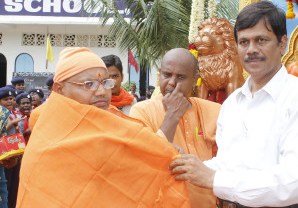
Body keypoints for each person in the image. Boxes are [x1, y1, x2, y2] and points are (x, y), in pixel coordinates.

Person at [169, 1, 298, 208]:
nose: (251, 50)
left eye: (261, 40)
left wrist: (213, 179)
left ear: (282, 44)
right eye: (244, 42)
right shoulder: (233, 104)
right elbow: (228, 165)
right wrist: (191, 166)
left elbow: (297, 181)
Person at [16, 47, 190, 207]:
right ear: (59, 89)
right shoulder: (48, 137)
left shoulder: (110, 118)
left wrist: (163, 154)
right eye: (88, 84)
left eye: (105, 83)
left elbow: (135, 165)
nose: (101, 92)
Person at [130, 48, 221, 208]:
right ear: (160, 74)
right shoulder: (141, 111)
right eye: (167, 75)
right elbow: (145, 163)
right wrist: (172, 116)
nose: (172, 82)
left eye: (180, 77)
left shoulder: (215, 111)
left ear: (195, 80)